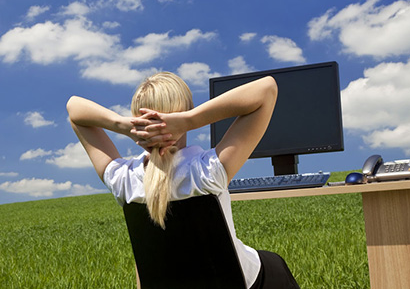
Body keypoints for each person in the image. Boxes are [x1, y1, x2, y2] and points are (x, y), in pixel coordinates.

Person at [67, 72, 300, 289]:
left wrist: (123, 125)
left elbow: (74, 110)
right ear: (183, 111)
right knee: (273, 261)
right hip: (241, 283)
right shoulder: (206, 172)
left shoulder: (123, 180)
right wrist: (190, 120)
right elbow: (267, 89)